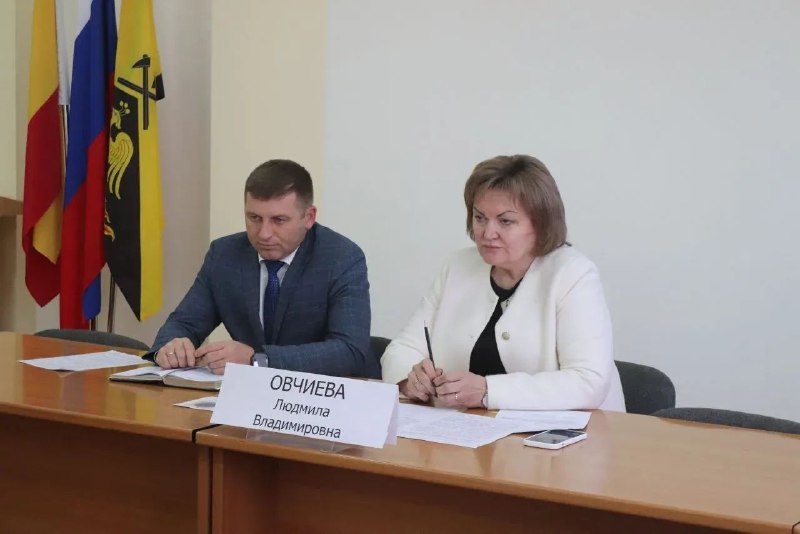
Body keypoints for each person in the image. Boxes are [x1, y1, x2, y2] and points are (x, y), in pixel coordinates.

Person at [381, 155, 625, 411]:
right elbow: (402, 348)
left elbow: (588, 381)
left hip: (577, 432)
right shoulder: (457, 266)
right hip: (467, 429)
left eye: (505, 221)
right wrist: (409, 379)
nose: (488, 233)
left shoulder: (573, 274)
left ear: (541, 224)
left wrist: (487, 391)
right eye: (480, 218)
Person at [148, 159, 378, 378]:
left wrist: (257, 360)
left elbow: (350, 351)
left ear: (309, 217)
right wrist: (171, 348)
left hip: (317, 398)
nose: (264, 233)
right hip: (243, 396)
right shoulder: (225, 254)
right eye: (254, 218)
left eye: (279, 220)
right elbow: (184, 323)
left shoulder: (341, 258)